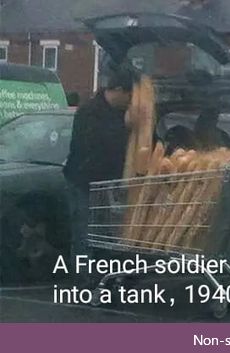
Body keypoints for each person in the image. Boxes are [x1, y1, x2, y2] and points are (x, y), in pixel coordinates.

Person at [63, 66, 139, 285]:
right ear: (117, 90)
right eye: (129, 96)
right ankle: (82, 281)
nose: (131, 101)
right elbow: (94, 146)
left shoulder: (118, 114)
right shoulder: (89, 111)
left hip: (106, 185)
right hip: (83, 182)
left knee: (105, 236)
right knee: (84, 234)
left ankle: (103, 277)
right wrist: (123, 128)